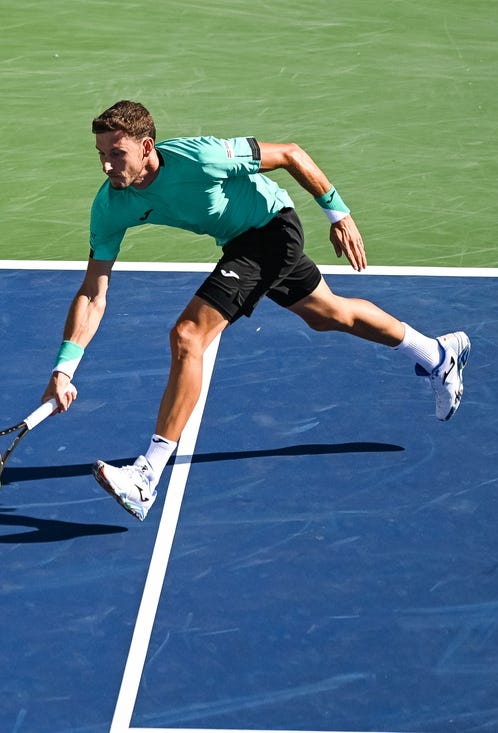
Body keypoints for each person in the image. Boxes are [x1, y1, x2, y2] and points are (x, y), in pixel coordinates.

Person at [41, 100, 469, 522]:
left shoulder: (201, 157)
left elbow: (290, 154)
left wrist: (339, 215)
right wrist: (65, 368)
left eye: (117, 154)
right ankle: (435, 355)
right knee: (329, 315)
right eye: (101, 155)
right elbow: (93, 293)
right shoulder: (110, 205)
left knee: (188, 335)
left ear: (148, 147)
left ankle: (146, 474)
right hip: (239, 242)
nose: (107, 167)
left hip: (272, 230)